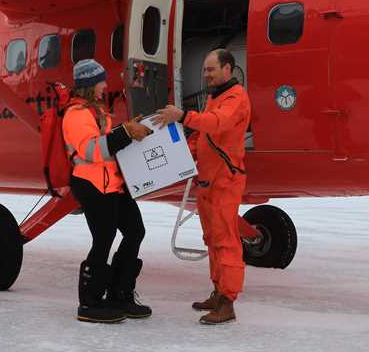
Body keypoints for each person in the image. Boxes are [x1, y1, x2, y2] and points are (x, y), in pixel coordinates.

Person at [153, 49, 251, 325]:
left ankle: (227, 302)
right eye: (205, 70)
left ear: (228, 69)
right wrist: (182, 156)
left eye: (211, 69)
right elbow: (204, 136)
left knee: (226, 240)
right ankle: (218, 291)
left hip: (225, 181)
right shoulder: (216, 96)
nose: (206, 74)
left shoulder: (236, 98)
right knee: (212, 240)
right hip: (207, 181)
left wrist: (182, 116)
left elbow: (216, 124)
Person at [63, 58, 154, 323]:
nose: (105, 85)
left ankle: (120, 293)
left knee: (135, 231)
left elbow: (105, 142)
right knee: (103, 239)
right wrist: (126, 132)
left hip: (111, 183)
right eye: (101, 80)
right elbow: (92, 151)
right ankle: (89, 303)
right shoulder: (76, 115)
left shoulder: (94, 112)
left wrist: (126, 130)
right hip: (92, 186)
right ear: (90, 84)